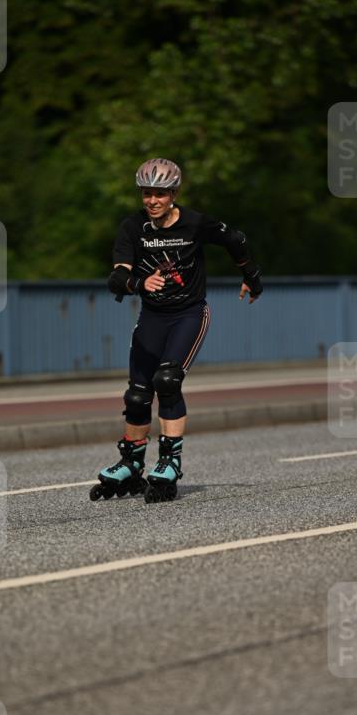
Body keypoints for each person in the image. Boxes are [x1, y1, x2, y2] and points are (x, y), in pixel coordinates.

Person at [90, 157, 263, 504]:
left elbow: (235, 239)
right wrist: (139, 282)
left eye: (160, 194)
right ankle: (132, 462)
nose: (153, 201)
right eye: (147, 194)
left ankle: (170, 461)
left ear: (174, 194)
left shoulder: (195, 223)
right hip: (152, 317)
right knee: (137, 394)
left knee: (167, 380)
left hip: (189, 314)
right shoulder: (132, 227)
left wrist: (251, 276)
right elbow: (117, 277)